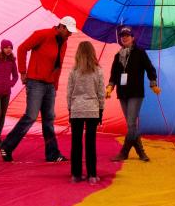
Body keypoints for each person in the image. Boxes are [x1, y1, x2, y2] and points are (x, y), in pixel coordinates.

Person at [0, 16, 77, 163]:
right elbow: (22, 48)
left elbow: (58, 66)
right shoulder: (42, 34)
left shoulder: (64, 42)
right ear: (61, 27)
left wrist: (55, 85)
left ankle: (52, 154)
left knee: (49, 119)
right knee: (31, 116)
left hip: (50, 85)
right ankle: (7, 146)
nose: (70, 34)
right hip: (35, 82)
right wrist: (23, 72)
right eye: (69, 31)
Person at [106, 26, 160, 162]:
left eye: (127, 35)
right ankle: (141, 152)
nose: (124, 37)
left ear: (133, 38)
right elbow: (114, 74)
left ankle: (124, 152)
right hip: (122, 93)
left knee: (131, 123)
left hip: (136, 93)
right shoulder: (118, 56)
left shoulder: (140, 53)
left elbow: (150, 68)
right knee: (132, 125)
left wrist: (153, 83)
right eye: (122, 35)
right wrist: (110, 87)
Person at [67, 41, 106, 184]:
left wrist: (70, 110)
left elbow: (69, 93)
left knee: (76, 143)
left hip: (76, 109)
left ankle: (75, 175)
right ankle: (92, 175)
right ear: (92, 53)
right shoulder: (98, 71)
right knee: (91, 143)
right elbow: (101, 93)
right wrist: (101, 110)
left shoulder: (73, 71)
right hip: (92, 110)